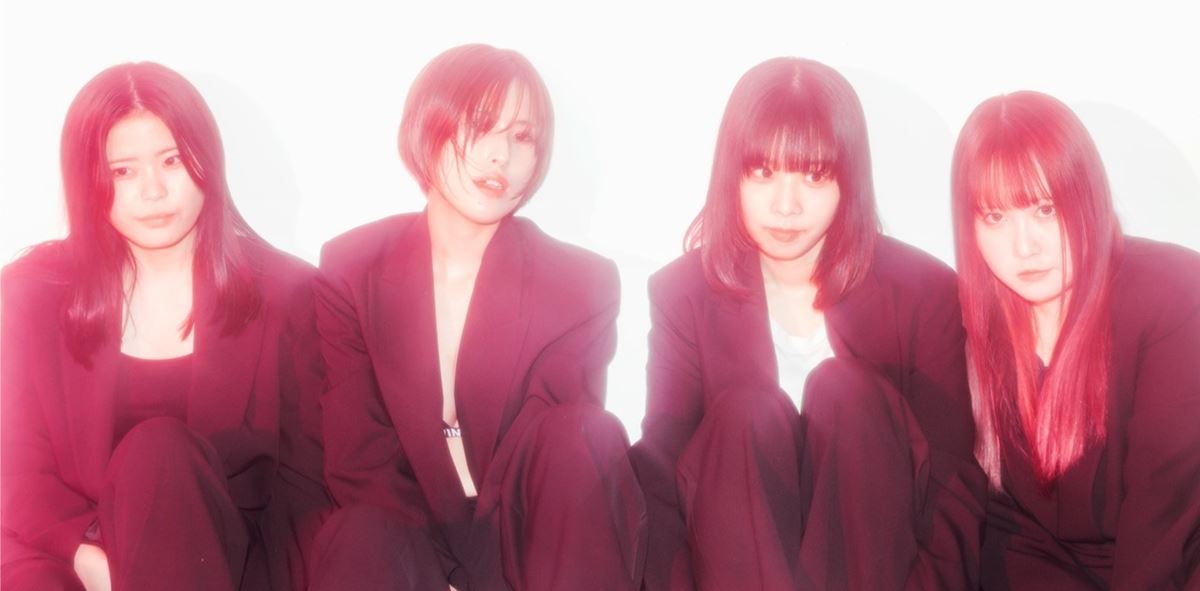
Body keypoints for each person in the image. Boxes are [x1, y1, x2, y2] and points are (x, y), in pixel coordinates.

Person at [630, 57, 986, 590]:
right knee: (747, 413)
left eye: (814, 176)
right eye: (763, 172)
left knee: (846, 392)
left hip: (880, 572)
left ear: (849, 180)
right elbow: (663, 474)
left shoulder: (924, 292)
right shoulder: (683, 295)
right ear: (731, 176)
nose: (786, 206)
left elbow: (951, 482)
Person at [308, 44, 645, 591]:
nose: (500, 156)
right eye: (481, 125)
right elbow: (359, 458)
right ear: (429, 127)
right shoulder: (352, 268)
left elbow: (555, 457)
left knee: (586, 434)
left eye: (523, 136)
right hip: (405, 542)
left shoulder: (579, 284)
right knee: (357, 533)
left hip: (526, 543)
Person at [0, 62, 330, 591]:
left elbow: (307, 486)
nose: (153, 191)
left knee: (161, 452)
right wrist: (98, 566)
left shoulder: (290, 296)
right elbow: (17, 472)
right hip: (75, 561)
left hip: (230, 567)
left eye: (172, 160)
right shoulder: (30, 295)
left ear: (207, 160)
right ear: (88, 180)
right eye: (123, 171)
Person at [951, 90, 1200, 590]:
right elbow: (1003, 523)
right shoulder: (970, 325)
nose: (1024, 247)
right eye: (996, 217)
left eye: (1045, 209)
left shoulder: (1173, 295)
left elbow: (1164, 517)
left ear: (1086, 198)